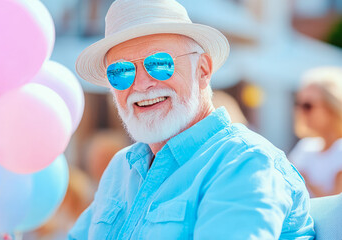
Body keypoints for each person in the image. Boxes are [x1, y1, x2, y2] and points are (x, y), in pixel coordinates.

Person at [69, 0, 315, 239]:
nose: (141, 84)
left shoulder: (245, 162)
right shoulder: (121, 167)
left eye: (159, 63)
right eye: (121, 71)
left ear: (203, 70)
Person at [290, 67, 342, 198]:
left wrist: (304, 180)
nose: (300, 110)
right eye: (298, 103)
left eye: (307, 105)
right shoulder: (305, 147)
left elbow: (335, 210)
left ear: (331, 107)